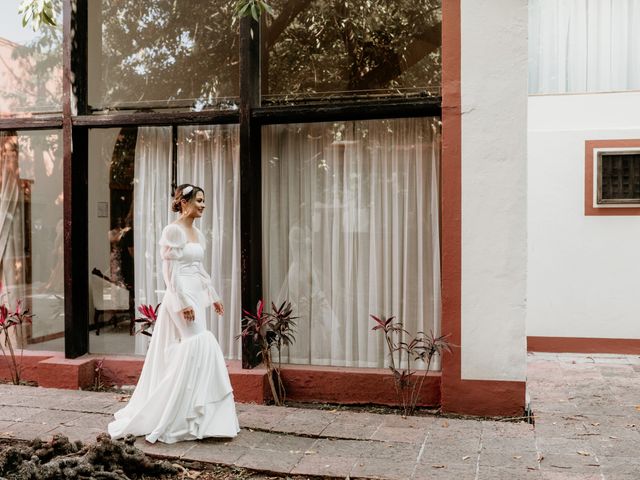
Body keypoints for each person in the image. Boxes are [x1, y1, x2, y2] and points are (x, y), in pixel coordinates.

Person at [108, 184, 240, 444]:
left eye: (204, 201)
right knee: (198, 343)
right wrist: (182, 302)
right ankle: (177, 416)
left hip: (194, 294)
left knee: (198, 345)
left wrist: (212, 296)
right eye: (199, 200)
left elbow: (199, 269)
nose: (203, 205)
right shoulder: (173, 231)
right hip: (179, 297)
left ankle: (197, 415)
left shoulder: (197, 233)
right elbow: (170, 272)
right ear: (183, 202)